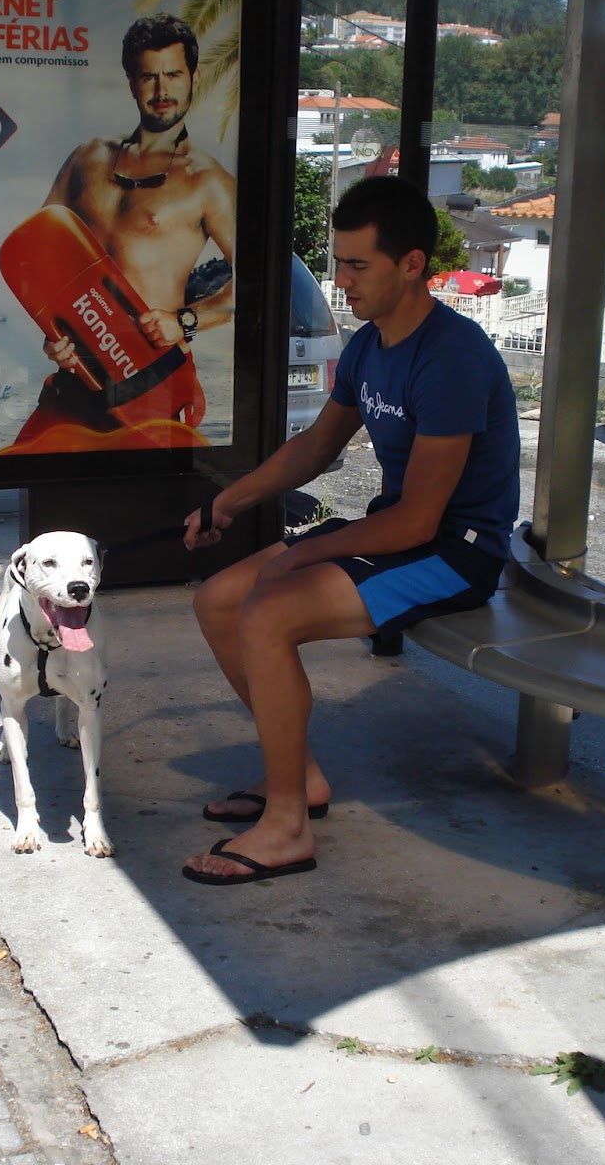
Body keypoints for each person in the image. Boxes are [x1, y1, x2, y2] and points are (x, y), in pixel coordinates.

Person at [179, 176, 520, 885]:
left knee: (267, 614)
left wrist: (299, 556)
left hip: (455, 552)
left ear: (412, 264)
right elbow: (316, 448)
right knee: (218, 600)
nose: (343, 281)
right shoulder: (370, 346)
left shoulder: (452, 357)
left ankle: (286, 829)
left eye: (359, 265)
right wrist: (229, 502)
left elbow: (422, 520)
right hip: (398, 533)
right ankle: (298, 781)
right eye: (339, 262)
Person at [10, 12, 237, 449]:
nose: (162, 90)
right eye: (149, 77)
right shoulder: (88, 158)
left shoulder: (208, 181)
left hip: (152, 382)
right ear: (132, 83)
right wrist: (53, 336)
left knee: (143, 493)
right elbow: (38, 256)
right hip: (78, 376)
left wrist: (185, 322)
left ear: (194, 77)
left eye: (173, 75)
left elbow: (259, 283)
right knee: (30, 478)